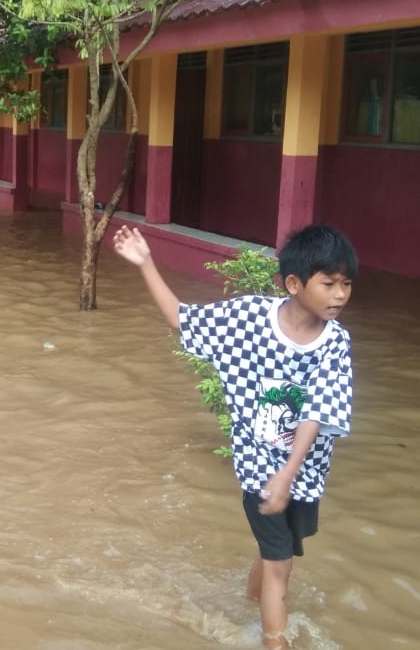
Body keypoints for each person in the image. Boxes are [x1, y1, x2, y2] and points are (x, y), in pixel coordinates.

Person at [112, 223, 357, 650]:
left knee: (280, 555)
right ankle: (275, 644)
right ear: (295, 283)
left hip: (306, 472)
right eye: (330, 283)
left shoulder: (335, 342)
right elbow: (180, 319)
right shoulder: (247, 319)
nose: (340, 295)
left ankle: (250, 602)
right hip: (259, 470)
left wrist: (290, 475)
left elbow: (318, 411)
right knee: (280, 566)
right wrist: (146, 262)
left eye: (347, 284)